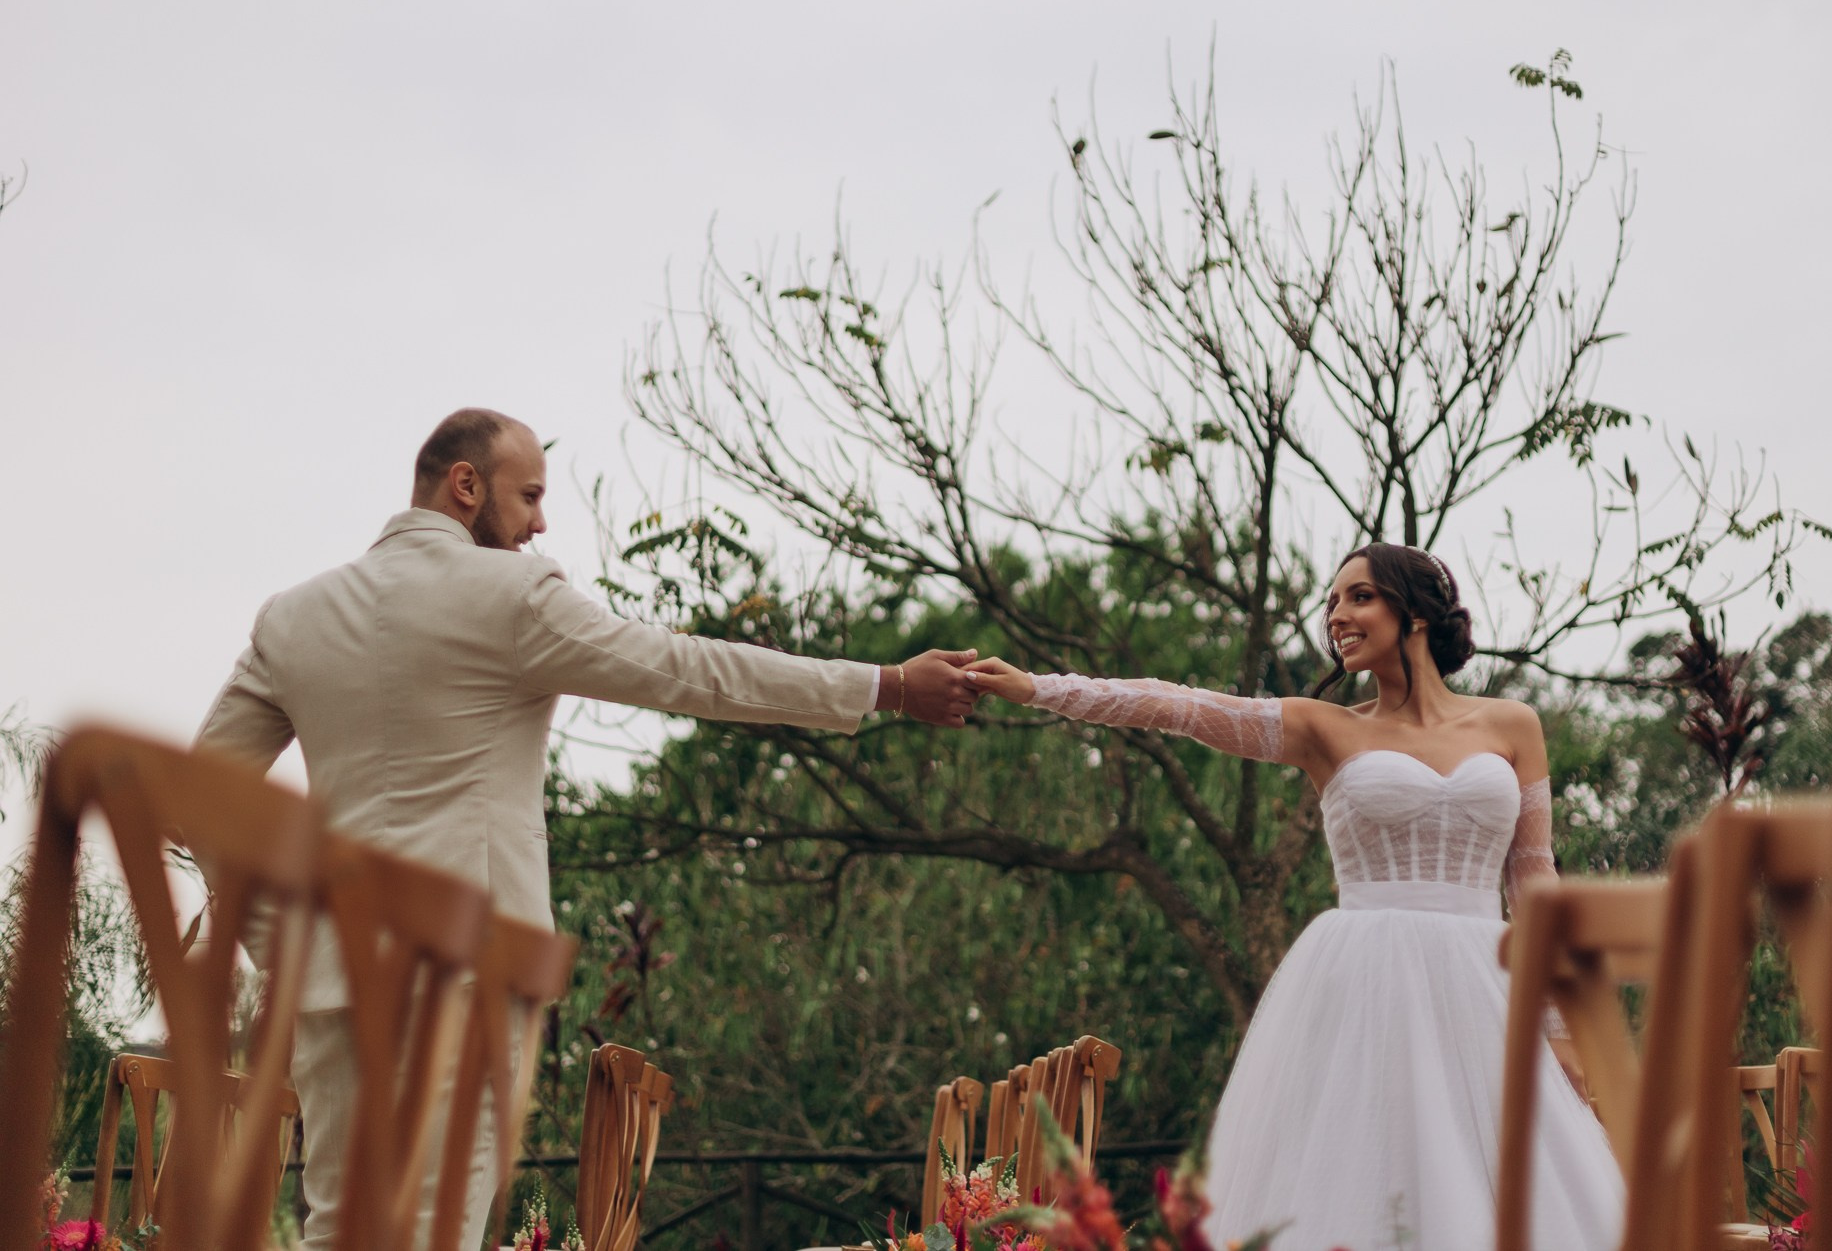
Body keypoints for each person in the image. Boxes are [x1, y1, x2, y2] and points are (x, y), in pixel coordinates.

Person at [195, 408, 982, 1251]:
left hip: (331, 980)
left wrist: (284, 937)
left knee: (337, 1231)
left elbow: (198, 794)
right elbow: (688, 668)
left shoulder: (293, 616)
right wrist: (887, 685)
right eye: (529, 495)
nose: (540, 523)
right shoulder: (513, 596)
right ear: (466, 485)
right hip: (464, 972)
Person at [963, 544, 1624, 1251]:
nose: (1337, 615)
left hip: (1489, 986)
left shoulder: (1512, 725)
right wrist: (1038, 687)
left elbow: (1535, 883)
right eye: (1331, 602)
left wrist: (1563, 1027)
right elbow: (1179, 706)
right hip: (1368, 983)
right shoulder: (1323, 727)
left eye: (1360, 596)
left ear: (1417, 613)